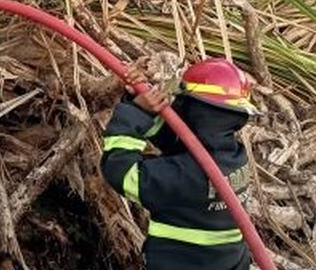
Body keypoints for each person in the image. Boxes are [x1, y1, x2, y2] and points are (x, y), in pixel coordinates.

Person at [101, 58, 258, 270]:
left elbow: (122, 172)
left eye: (182, 101)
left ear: (195, 109)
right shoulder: (234, 157)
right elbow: (174, 140)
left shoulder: (186, 174)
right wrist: (141, 105)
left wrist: (133, 114)